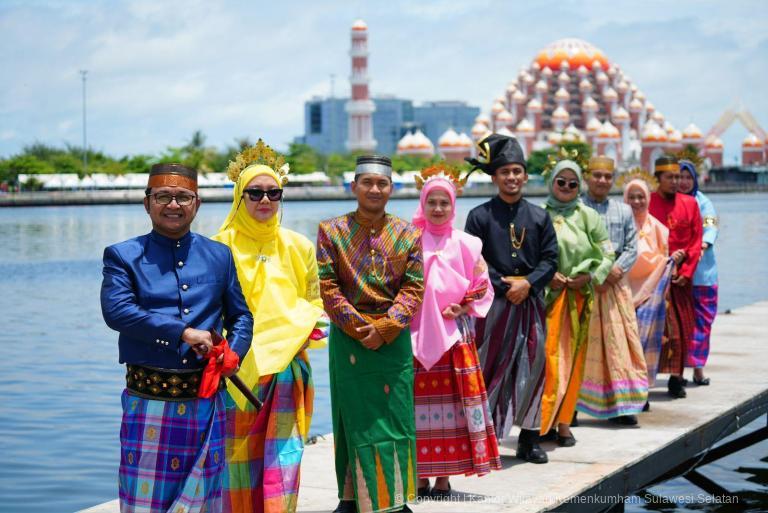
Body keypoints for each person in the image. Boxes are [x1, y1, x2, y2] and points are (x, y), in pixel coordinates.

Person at [101, 163, 253, 513]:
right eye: (163, 196)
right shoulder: (123, 256)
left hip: (206, 400)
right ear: (147, 203)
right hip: (149, 400)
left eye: (183, 197)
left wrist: (234, 354)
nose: (173, 204)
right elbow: (117, 312)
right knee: (146, 502)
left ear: (197, 204)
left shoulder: (219, 255)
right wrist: (182, 332)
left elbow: (241, 316)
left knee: (205, 499)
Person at [212, 141, 328, 513]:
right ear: (238, 196)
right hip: (236, 371)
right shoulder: (218, 247)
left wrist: (312, 326)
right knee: (235, 463)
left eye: (274, 192)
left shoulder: (298, 246)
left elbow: (315, 300)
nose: (265, 200)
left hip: (288, 367)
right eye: (256, 193)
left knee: (284, 460)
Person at [317, 155, 424, 513]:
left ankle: (396, 498)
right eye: (367, 182)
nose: (374, 189)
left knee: (397, 417)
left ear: (391, 189)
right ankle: (350, 498)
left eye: (382, 183)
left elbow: (413, 289)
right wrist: (362, 328)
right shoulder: (331, 232)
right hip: (350, 337)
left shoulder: (408, 234)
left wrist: (386, 327)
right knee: (351, 415)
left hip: (393, 340)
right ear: (354, 187)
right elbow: (328, 288)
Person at [464, 134, 559, 464]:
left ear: (525, 175)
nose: (512, 178)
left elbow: (551, 260)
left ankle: (529, 440)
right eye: (505, 172)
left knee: (533, 368)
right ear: (495, 177)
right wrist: (505, 287)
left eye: (517, 171)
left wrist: (529, 284)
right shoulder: (479, 216)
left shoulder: (539, 217)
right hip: (493, 304)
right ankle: (483, 440)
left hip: (530, 303)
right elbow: (474, 260)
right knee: (488, 367)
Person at [410, 164, 501, 498]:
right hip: (416, 334)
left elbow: (482, 284)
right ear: (423, 203)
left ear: (453, 206)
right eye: (431, 201)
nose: (437, 208)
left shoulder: (467, 243)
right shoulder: (408, 239)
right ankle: (420, 474)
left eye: (444, 203)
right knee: (418, 406)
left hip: (454, 334)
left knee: (452, 406)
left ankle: (445, 476)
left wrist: (462, 306)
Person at [540, 155, 614, 447]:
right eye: (561, 181)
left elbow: (608, 253)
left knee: (574, 361)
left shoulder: (588, 216)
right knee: (548, 360)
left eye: (573, 183)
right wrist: (547, 277)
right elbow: (530, 256)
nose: (567, 187)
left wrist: (592, 276)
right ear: (552, 183)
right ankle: (540, 422)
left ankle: (564, 423)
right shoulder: (539, 214)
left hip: (580, 297)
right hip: (549, 297)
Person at [578, 156, 648, 426]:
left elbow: (632, 247)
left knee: (620, 346)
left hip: (615, 287)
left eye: (607, 177)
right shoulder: (575, 209)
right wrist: (594, 275)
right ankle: (570, 406)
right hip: (583, 286)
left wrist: (611, 272)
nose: (602, 181)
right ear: (587, 177)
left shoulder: (623, 211)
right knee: (580, 346)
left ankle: (622, 406)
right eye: (597, 175)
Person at [649, 155, 703, 398]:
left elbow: (697, 239)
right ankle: (645, 380)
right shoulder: (647, 202)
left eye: (679, 177)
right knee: (652, 330)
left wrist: (687, 271)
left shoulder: (692, 204)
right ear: (657, 178)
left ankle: (677, 377)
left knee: (682, 329)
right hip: (653, 278)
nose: (676, 182)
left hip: (682, 278)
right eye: (669, 177)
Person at [622, 172, 674, 395]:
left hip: (651, 294)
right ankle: (623, 392)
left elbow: (664, 258)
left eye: (641, 197)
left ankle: (644, 391)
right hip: (622, 293)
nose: (636, 201)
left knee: (646, 345)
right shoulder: (619, 226)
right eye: (632, 197)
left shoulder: (660, 228)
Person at [679, 160, 718, 386]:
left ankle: (698, 369)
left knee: (703, 322)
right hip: (679, 275)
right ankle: (678, 373)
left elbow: (711, 225)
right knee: (680, 323)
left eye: (688, 178)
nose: (683, 182)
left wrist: (703, 244)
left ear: (694, 179)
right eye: (680, 177)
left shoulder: (705, 203)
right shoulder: (671, 202)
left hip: (703, 275)